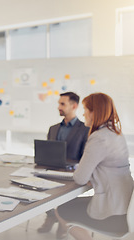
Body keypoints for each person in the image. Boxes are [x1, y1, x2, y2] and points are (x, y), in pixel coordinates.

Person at [55, 92, 134, 240]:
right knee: (72, 204)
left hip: (113, 215)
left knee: (62, 208)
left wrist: (86, 173)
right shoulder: (116, 133)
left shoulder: (99, 138)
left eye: (85, 109)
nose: (83, 114)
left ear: (94, 112)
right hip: (127, 209)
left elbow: (80, 178)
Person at [38, 92, 89, 238]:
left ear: (74, 106)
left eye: (62, 104)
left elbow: (85, 157)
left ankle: (62, 221)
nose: (58, 107)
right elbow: (48, 152)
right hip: (51, 171)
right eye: (58, 103)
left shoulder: (85, 129)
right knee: (41, 189)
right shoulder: (53, 128)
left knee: (64, 195)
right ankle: (51, 216)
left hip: (72, 174)